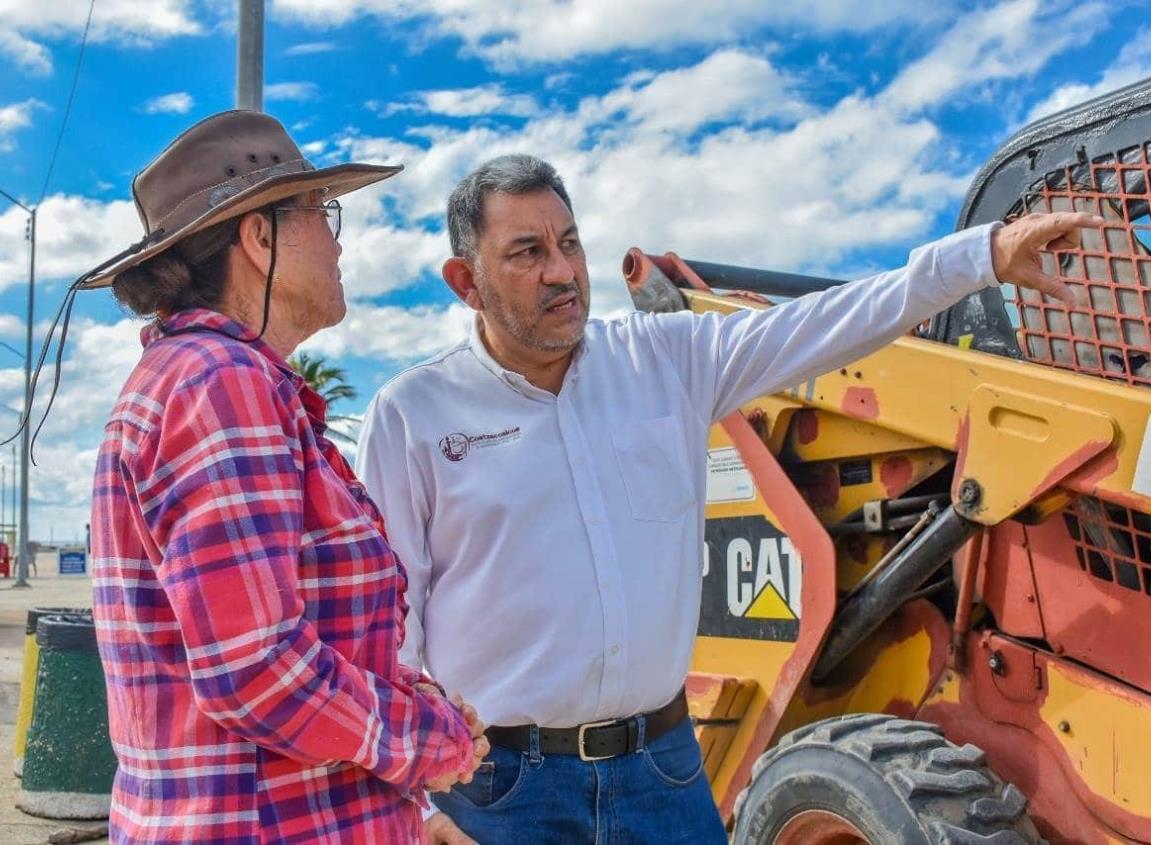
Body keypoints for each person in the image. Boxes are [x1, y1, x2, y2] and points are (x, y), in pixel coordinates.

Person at [355, 154, 1097, 844]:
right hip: (499, 788)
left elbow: (822, 326)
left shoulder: (662, 361)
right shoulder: (415, 414)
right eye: (527, 252)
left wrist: (980, 257)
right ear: (465, 281)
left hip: (662, 771)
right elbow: (384, 624)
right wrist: (417, 800)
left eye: (570, 243)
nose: (562, 271)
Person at [85, 110, 487, 844]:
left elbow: (286, 645)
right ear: (259, 238)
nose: (338, 242)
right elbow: (257, 670)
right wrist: (428, 741)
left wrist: (411, 729)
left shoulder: (204, 381)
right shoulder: (220, 385)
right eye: (320, 213)